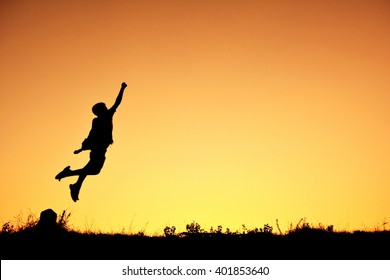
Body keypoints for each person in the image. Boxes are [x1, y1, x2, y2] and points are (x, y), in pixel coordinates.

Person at [55, 82, 127, 202]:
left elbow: (91, 134)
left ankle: (75, 185)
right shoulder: (105, 116)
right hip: (99, 148)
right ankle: (69, 175)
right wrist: (122, 88)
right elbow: (117, 102)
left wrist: (82, 148)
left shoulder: (100, 119)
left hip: (98, 148)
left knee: (89, 170)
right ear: (100, 111)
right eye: (103, 107)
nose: (106, 108)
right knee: (94, 171)